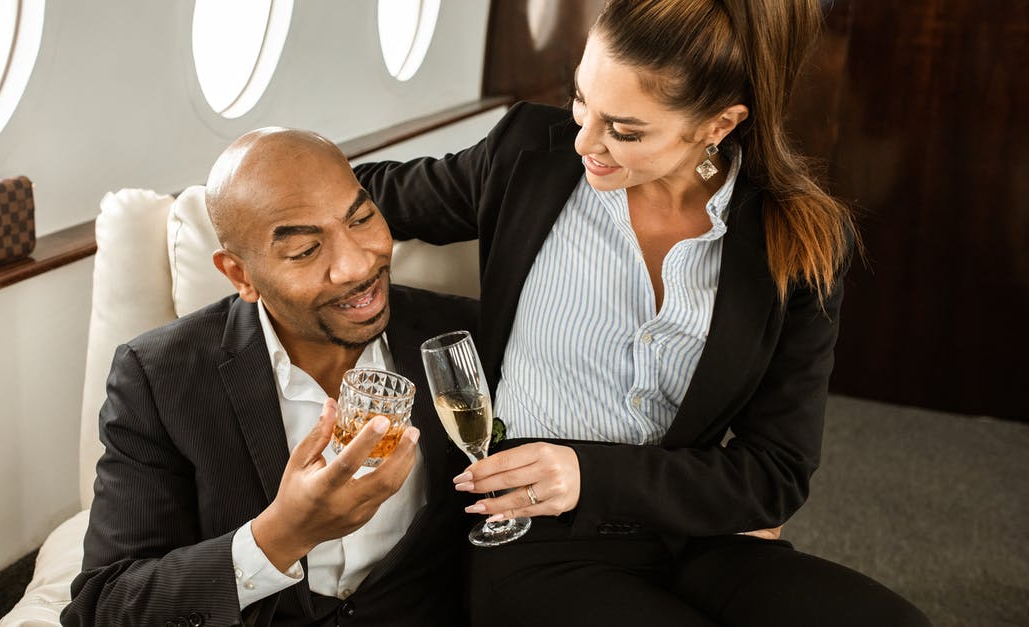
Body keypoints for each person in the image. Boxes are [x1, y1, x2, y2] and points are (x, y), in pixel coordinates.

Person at [354, 0, 931, 625]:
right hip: (533, 534)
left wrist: (591, 473)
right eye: (581, 99)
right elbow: (359, 198)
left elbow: (776, 474)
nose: (584, 142)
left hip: (695, 534)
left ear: (717, 125)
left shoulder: (799, 238)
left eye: (625, 130)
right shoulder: (527, 156)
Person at [61, 128, 477, 627]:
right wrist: (279, 536)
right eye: (304, 250)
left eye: (362, 219)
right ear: (240, 276)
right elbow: (103, 606)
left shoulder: (469, 337)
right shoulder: (157, 377)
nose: (356, 265)